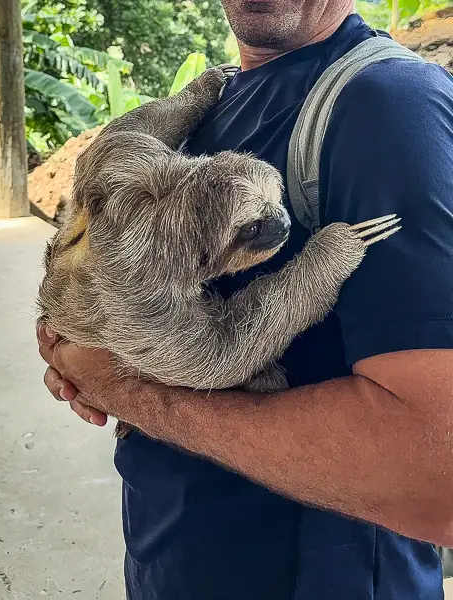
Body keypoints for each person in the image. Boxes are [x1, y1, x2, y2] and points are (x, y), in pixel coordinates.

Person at [37, 0, 453, 598]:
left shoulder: (386, 103)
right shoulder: (200, 112)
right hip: (168, 556)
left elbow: (436, 478)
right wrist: (72, 338)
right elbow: (91, 242)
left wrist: (126, 387)